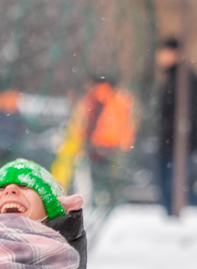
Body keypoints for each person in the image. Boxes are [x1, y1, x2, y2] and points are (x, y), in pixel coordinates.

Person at [51, 75, 137, 211]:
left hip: (99, 142)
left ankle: (99, 200)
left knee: (96, 176)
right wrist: (126, 142)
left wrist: (85, 140)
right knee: (106, 176)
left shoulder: (95, 97)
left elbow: (87, 122)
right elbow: (127, 122)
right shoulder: (118, 97)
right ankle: (104, 200)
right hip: (112, 144)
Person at [155, 36, 197, 216]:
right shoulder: (172, 77)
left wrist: (182, 138)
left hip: (177, 144)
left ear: (175, 53)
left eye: (164, 53)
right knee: (169, 188)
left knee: (176, 188)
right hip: (169, 143)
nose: (160, 57)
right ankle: (172, 220)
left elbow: (188, 114)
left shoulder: (184, 79)